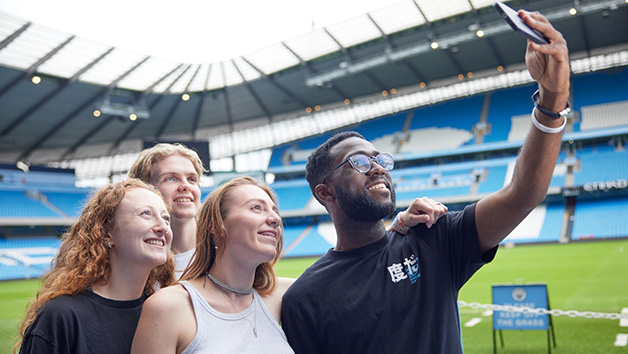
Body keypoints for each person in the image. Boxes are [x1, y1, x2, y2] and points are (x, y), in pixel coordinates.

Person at [281, 9, 570, 354]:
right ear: (324, 192)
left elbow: (523, 193)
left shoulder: (433, 239)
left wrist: (552, 99)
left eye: (378, 159)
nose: (376, 168)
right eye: (358, 162)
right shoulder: (305, 296)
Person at [131, 176, 294, 354]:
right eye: (256, 208)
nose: (275, 219)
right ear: (215, 225)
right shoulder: (169, 306)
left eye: (274, 210)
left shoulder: (284, 295)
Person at [15, 179, 174, 354]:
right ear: (106, 232)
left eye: (166, 218)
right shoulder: (61, 317)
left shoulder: (163, 314)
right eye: (146, 214)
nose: (163, 227)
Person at [129, 143, 204, 279]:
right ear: (145, 188)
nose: (185, 186)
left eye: (192, 179)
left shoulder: (222, 253)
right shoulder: (130, 259)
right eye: (171, 178)